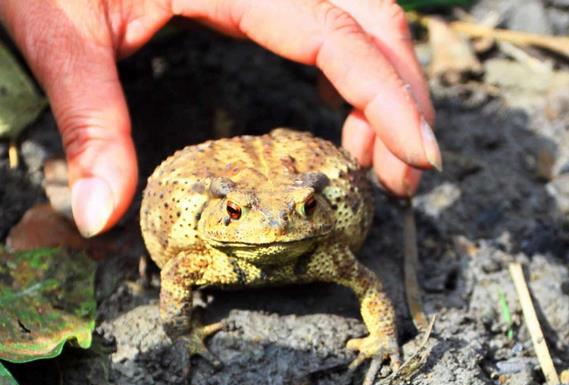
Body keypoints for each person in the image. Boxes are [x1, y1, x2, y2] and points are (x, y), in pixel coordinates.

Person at [0, 0, 440, 237]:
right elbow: (178, 278)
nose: (275, 226)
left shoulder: (323, 239)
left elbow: (365, 284)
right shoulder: (200, 240)